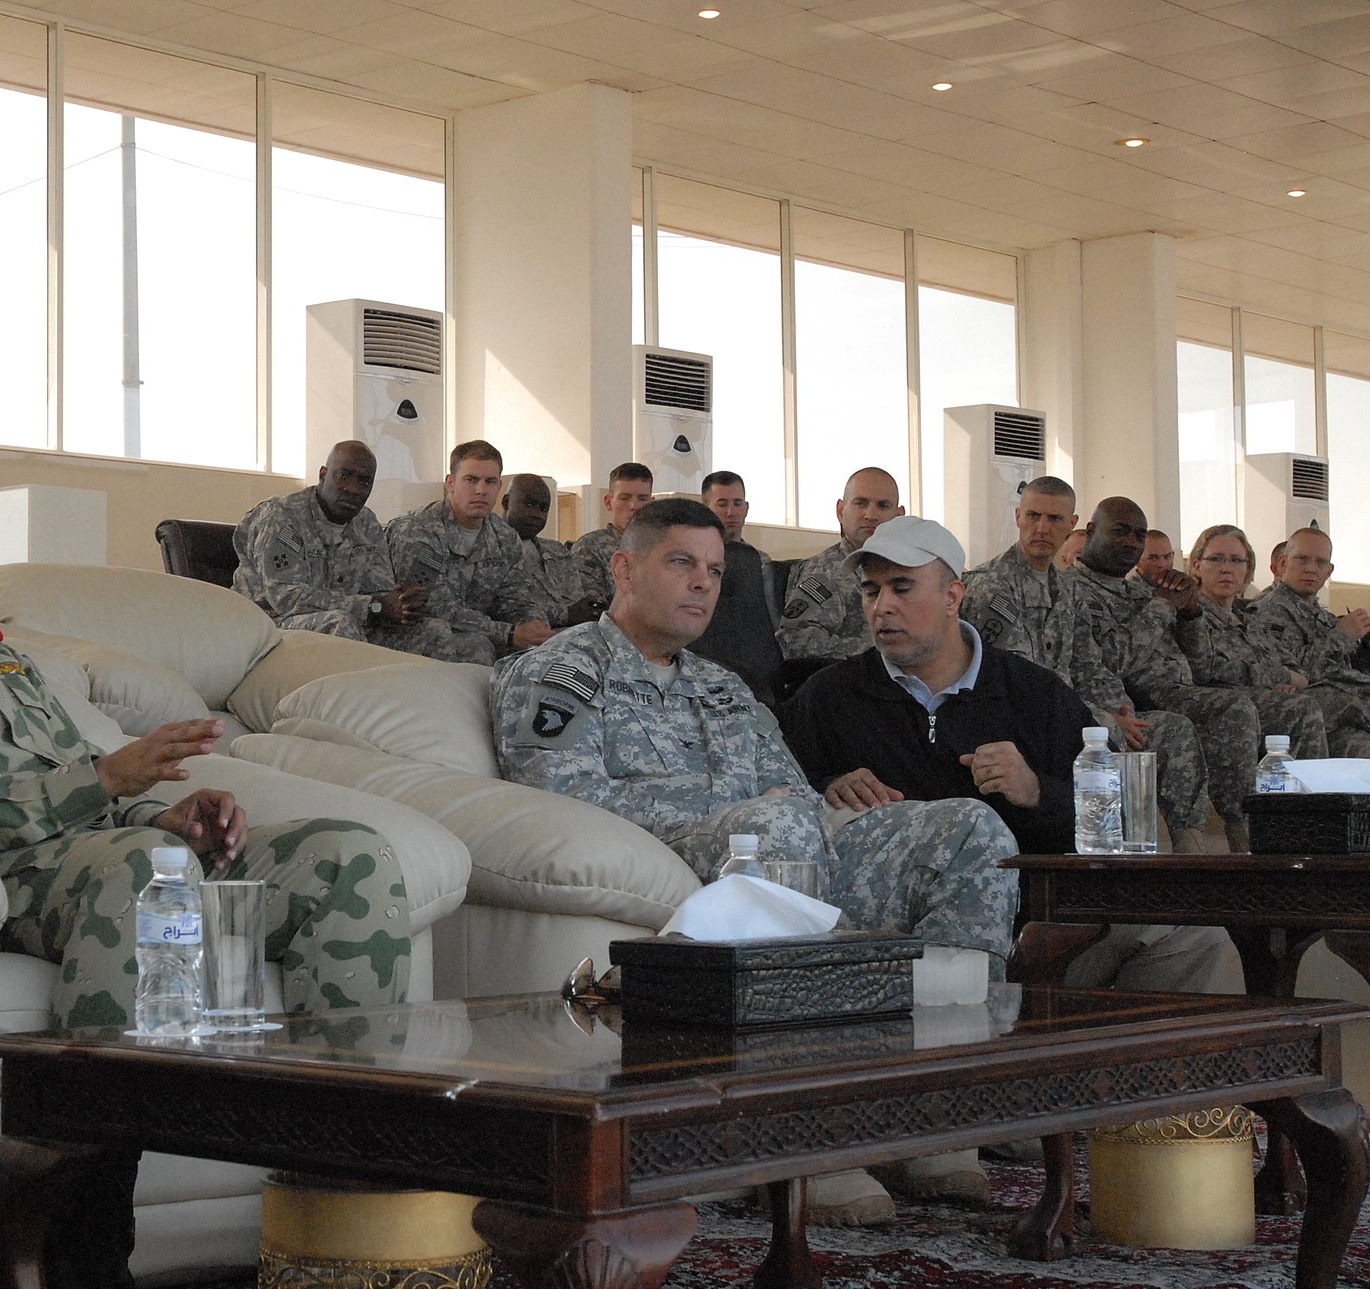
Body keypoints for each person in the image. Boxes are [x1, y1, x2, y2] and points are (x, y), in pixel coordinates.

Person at [0, 435, 412, 1032]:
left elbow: (76, 776)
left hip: (112, 856)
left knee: (349, 855)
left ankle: (342, 1126)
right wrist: (103, 784)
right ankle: (94, 1121)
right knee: (143, 865)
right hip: (3, 883)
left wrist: (163, 817)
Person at [492, 499, 1018, 1224]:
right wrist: (743, 804)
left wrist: (815, 804)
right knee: (777, 824)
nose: (702, 584)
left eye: (714, 570)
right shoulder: (562, 671)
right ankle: (809, 1133)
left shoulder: (723, 685)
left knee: (969, 829)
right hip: (670, 852)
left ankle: (935, 1109)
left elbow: (795, 795)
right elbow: (563, 797)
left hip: (777, 841)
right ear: (624, 568)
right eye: (681, 563)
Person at [784, 514, 1226, 993]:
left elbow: (1113, 819)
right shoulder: (829, 697)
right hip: (890, 932)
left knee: (1194, 935)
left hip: (1036, 923)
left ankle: (1118, 1045)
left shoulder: (1033, 693)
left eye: (902, 588)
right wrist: (828, 787)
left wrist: (1037, 791)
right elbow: (776, 799)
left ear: (953, 596)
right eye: (871, 591)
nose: (882, 607)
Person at [961, 477, 1212, 852]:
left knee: (1169, 731)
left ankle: (1191, 852)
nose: (1042, 528)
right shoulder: (993, 586)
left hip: (1072, 713)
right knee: (1108, 740)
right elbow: (1023, 683)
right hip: (1022, 722)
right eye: (1033, 516)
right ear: (1017, 517)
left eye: (1054, 519)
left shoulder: (1067, 588)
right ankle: (1110, 853)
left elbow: (1088, 665)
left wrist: (1119, 710)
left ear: (1072, 524)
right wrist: (1103, 718)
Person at [1066, 500, 1282, 852]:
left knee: (1235, 708)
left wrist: (1190, 611)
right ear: (1091, 532)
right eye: (1120, 531)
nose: (1130, 542)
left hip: (1179, 690)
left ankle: (1240, 834)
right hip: (1133, 697)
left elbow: (1199, 664)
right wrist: (1163, 605)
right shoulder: (1073, 590)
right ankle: (1199, 844)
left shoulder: (1141, 591)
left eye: (1139, 535)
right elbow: (1108, 661)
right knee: (1202, 719)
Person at [230, 439, 452, 655]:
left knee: (434, 631)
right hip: (270, 626)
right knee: (341, 624)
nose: (353, 489)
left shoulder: (367, 523)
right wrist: (373, 606)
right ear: (323, 475)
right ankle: (361, 682)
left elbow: (379, 592)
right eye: (344, 475)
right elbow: (286, 598)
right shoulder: (281, 516)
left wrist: (402, 604)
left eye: (364, 481)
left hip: (349, 623)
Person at [1176, 524, 1362, 756]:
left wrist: (1284, 680)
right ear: (1197, 566)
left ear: (1247, 569)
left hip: (1279, 704)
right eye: (1216, 559)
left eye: (1237, 561)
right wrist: (1278, 678)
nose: (1226, 569)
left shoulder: (1248, 622)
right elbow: (1209, 668)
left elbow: (1297, 671)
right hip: (1229, 712)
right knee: (1331, 701)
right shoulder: (1189, 615)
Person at [384, 441, 552, 664]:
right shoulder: (417, 531)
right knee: (477, 647)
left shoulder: (505, 537)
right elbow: (432, 607)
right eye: (471, 480)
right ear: (451, 483)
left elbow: (518, 599)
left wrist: (536, 628)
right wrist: (508, 633)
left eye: (490, 481)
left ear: (499, 487)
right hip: (416, 633)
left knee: (544, 651)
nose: (481, 490)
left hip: (480, 631)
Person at [776, 466, 904, 665]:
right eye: (861, 503)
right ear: (840, 511)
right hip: (855, 679)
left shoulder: (911, 569)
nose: (871, 515)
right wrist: (883, 649)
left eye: (883, 505)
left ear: (899, 516)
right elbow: (797, 641)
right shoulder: (825, 571)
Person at [1251, 527, 1370, 698]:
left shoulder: (1324, 617)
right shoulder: (1270, 612)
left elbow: (1347, 668)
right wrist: (1341, 635)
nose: (1311, 569)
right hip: (1310, 703)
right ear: (1283, 563)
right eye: (1302, 560)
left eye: (1320, 563)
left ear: (1328, 571)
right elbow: (1293, 674)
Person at [501, 473, 602, 628]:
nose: (536, 514)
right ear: (507, 502)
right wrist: (567, 614)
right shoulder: (490, 549)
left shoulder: (557, 551)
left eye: (543, 508)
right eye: (529, 504)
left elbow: (576, 600)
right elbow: (502, 608)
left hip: (576, 636)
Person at [570, 462, 653, 604]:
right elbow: (591, 604)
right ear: (608, 502)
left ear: (652, 503)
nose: (634, 506)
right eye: (624, 498)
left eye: (642, 499)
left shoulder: (663, 545)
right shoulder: (590, 547)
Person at [702, 469, 777, 626]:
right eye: (722, 504)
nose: (731, 512)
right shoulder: (695, 559)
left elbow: (770, 618)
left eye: (737, 503)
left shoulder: (759, 561)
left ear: (746, 508)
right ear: (706, 509)